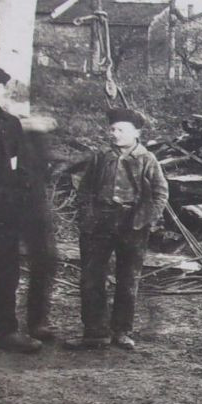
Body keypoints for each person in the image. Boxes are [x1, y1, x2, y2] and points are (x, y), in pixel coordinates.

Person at [65, 107, 169, 352]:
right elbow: (85, 189)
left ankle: (122, 331)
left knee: (128, 279)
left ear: (136, 132)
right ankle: (94, 332)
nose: (115, 134)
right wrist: (87, 214)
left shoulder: (146, 158)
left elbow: (160, 193)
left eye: (121, 129)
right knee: (91, 277)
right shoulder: (101, 156)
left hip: (131, 223)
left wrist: (145, 219)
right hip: (99, 221)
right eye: (112, 129)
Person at [0, 63, 58, 353]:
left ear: (3, 90)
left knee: (4, 268)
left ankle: (4, 331)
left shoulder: (10, 124)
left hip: (3, 208)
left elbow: (21, 165)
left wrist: (17, 195)